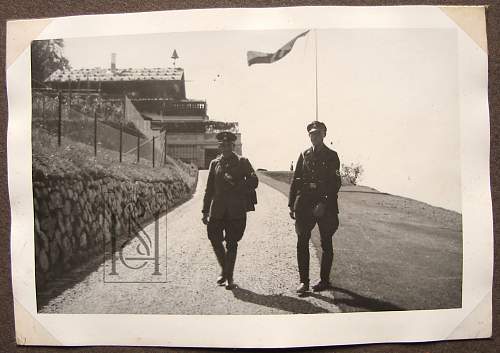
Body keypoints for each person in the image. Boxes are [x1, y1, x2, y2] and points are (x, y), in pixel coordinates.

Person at [288, 121, 341, 294]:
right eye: (311, 133)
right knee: (302, 241)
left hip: (325, 206)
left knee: (326, 242)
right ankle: (304, 282)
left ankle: (324, 280)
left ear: (324, 134)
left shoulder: (332, 155)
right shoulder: (304, 155)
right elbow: (296, 180)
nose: (314, 136)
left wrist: (324, 203)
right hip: (304, 204)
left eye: (318, 133)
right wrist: (291, 204)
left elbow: (335, 183)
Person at [202, 131, 258, 290]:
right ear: (219, 147)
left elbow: (254, 180)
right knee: (214, 239)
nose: (225, 147)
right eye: (222, 145)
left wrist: (238, 186)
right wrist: (205, 211)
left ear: (233, 146)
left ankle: (229, 278)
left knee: (232, 243)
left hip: (236, 210)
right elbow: (209, 189)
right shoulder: (214, 163)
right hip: (217, 210)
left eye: (228, 145)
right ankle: (225, 272)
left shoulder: (243, 162)